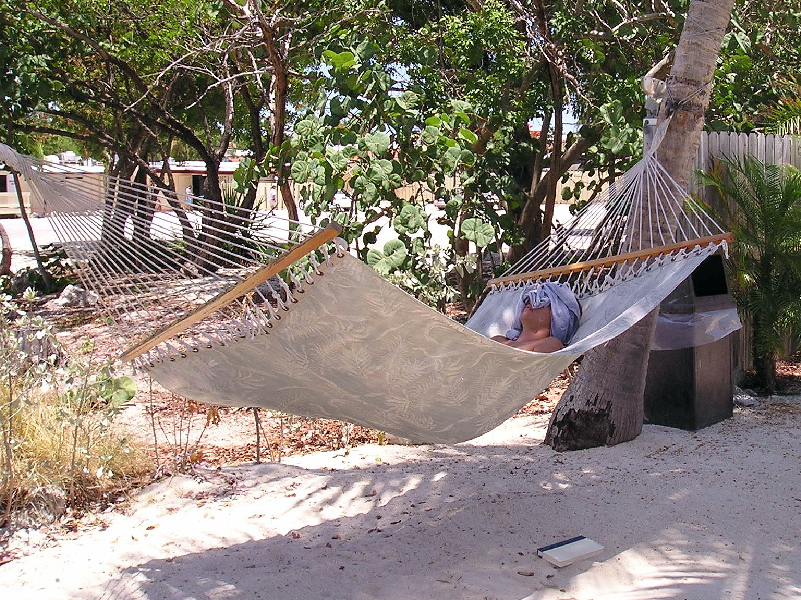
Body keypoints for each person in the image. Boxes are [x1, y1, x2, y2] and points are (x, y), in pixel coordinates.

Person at [491, 282, 581, 353]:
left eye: (541, 300)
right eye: (528, 298)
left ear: (560, 317)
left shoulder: (552, 344)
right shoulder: (498, 339)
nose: (531, 301)